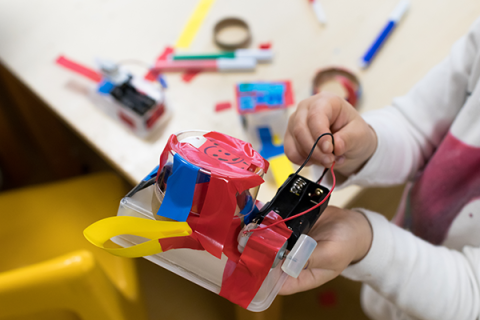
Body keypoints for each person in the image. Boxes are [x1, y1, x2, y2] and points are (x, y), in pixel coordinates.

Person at [280, 18, 480, 320]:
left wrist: (369, 244)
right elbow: (419, 125)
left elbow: (472, 296)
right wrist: (365, 143)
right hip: (395, 278)